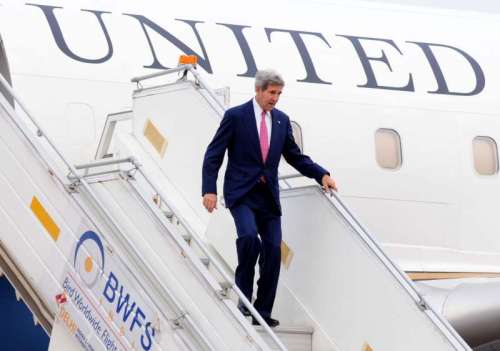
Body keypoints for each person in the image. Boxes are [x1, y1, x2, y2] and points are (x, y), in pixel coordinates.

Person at [201, 69, 337, 327]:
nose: (275, 98)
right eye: (272, 93)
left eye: (279, 94)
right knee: (250, 239)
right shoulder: (236, 117)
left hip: (268, 198)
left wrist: (321, 175)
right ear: (259, 90)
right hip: (241, 193)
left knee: (273, 250)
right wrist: (209, 189)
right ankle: (244, 299)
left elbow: (295, 156)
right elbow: (213, 155)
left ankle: (262, 311)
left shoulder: (281, 121)